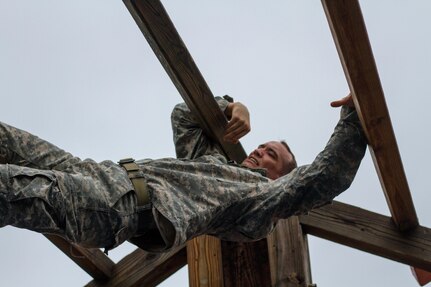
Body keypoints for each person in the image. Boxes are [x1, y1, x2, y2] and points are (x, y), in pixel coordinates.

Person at [0, 94, 366, 253]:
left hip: (118, 207)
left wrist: (354, 117)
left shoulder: (258, 202)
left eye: (271, 154)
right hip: (96, 173)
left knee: (7, 187)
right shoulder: (213, 165)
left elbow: (325, 176)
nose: (258, 151)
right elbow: (183, 116)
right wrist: (232, 107)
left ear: (282, 178)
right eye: (261, 145)